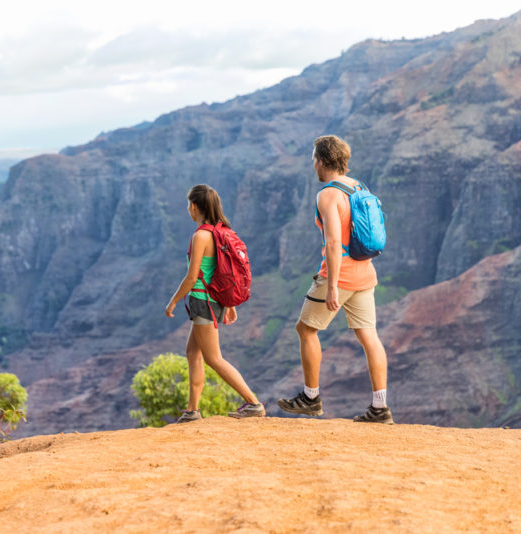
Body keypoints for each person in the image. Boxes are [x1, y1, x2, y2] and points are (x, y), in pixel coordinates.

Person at [277, 135, 394, 424]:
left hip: (339, 275)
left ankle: (310, 398)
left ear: (321, 161)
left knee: (305, 330)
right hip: (366, 274)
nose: (313, 164)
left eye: (314, 159)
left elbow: (333, 243)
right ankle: (380, 408)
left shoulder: (328, 194)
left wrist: (331, 287)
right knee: (369, 336)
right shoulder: (358, 186)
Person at [165, 184, 265, 423]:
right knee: (192, 352)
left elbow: (192, 277)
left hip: (203, 302)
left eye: (188, 205)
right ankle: (192, 411)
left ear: (194, 206)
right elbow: (221, 271)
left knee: (213, 358)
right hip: (214, 301)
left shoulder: (200, 236)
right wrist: (228, 303)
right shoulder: (221, 232)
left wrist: (173, 302)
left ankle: (253, 403)